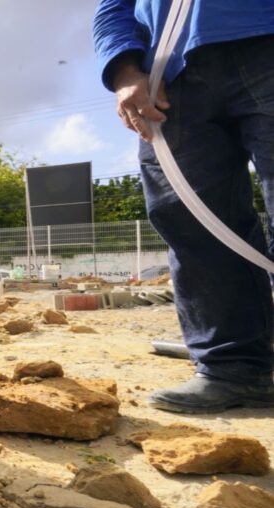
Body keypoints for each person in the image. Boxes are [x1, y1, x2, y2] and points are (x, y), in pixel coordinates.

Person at [94, 1, 274, 414]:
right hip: (172, 76)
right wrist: (123, 68)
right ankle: (232, 368)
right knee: (193, 223)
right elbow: (113, 6)